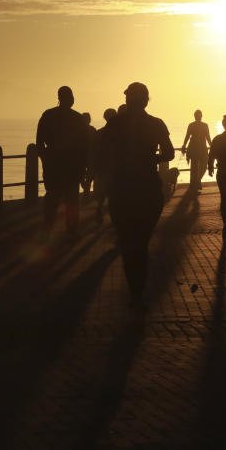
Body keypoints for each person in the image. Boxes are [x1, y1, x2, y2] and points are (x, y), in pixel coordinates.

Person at [101, 82, 174, 309]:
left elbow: (101, 152)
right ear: (146, 100)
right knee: (140, 242)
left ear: (128, 100)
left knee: (127, 241)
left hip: (122, 189)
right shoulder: (156, 124)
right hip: (148, 190)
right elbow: (169, 153)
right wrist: (150, 159)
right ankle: (138, 291)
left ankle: (136, 289)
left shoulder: (115, 124)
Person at [36, 86, 89, 237]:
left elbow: (39, 143)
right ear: (71, 99)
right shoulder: (78, 119)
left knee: (52, 197)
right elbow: (86, 146)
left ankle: (47, 228)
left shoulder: (48, 115)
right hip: (73, 166)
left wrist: (45, 159)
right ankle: (71, 231)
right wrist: (84, 168)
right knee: (72, 199)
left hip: (53, 164)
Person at [93, 108, 117, 224]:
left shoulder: (99, 133)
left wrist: (93, 168)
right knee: (114, 194)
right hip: (115, 168)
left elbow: (94, 152)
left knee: (102, 193)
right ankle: (114, 216)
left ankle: (99, 210)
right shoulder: (121, 133)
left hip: (102, 167)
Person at [180, 110, 212, 192]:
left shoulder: (202, 125)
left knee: (199, 167)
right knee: (198, 167)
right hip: (197, 148)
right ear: (196, 116)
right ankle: (195, 185)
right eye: (197, 115)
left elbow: (207, 137)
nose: (198, 116)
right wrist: (184, 145)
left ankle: (195, 183)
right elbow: (188, 135)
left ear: (200, 116)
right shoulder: (195, 125)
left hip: (197, 147)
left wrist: (184, 145)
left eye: (199, 115)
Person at [81, 112, 99, 198]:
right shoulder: (93, 130)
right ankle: (87, 192)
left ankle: (86, 191)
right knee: (90, 176)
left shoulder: (77, 131)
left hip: (83, 156)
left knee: (84, 176)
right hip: (90, 156)